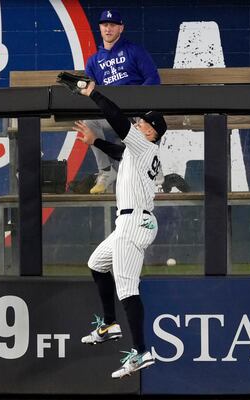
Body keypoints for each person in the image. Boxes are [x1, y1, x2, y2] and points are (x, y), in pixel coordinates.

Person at [74, 80, 166, 379]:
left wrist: (93, 94)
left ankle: (141, 351)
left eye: (142, 123)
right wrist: (95, 142)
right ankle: (110, 324)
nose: (137, 124)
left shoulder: (144, 144)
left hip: (133, 222)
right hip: (132, 221)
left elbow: (116, 118)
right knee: (97, 264)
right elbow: (118, 152)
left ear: (151, 131)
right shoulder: (141, 153)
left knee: (128, 288)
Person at [84, 9, 160, 194]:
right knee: (89, 121)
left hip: (135, 114)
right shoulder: (93, 61)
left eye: (112, 25)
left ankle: (154, 172)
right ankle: (106, 171)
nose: (108, 29)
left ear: (121, 28)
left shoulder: (134, 51)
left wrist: (137, 104)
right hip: (112, 115)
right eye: (104, 25)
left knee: (150, 122)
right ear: (100, 28)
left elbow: (153, 79)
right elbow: (90, 93)